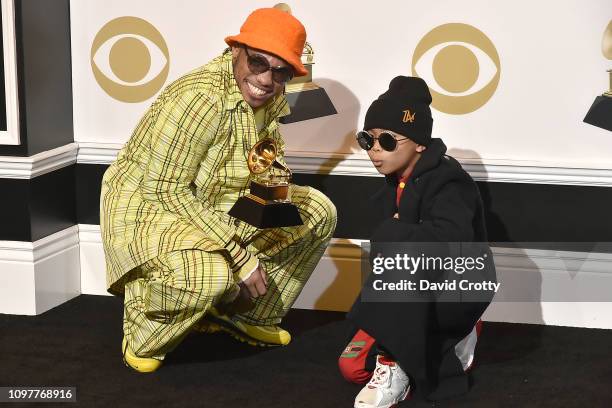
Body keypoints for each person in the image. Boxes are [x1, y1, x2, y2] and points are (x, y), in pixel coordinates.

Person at [100, 7, 337, 373]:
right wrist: (239, 256)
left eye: (280, 71)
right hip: (150, 208)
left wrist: (276, 197)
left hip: (213, 202)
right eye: (258, 62)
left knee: (316, 212)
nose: (266, 79)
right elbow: (165, 190)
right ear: (235, 52)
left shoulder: (270, 96)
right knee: (210, 274)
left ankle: (246, 314)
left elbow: (256, 163)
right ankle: (143, 329)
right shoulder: (200, 98)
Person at [338, 76, 496, 406]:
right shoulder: (395, 181)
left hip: (455, 286)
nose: (375, 149)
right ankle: (438, 339)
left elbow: (449, 241)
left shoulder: (449, 180)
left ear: (420, 143)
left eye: (388, 141)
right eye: (368, 139)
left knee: (403, 256)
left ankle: (410, 355)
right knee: (352, 367)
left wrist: (394, 233)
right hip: (410, 289)